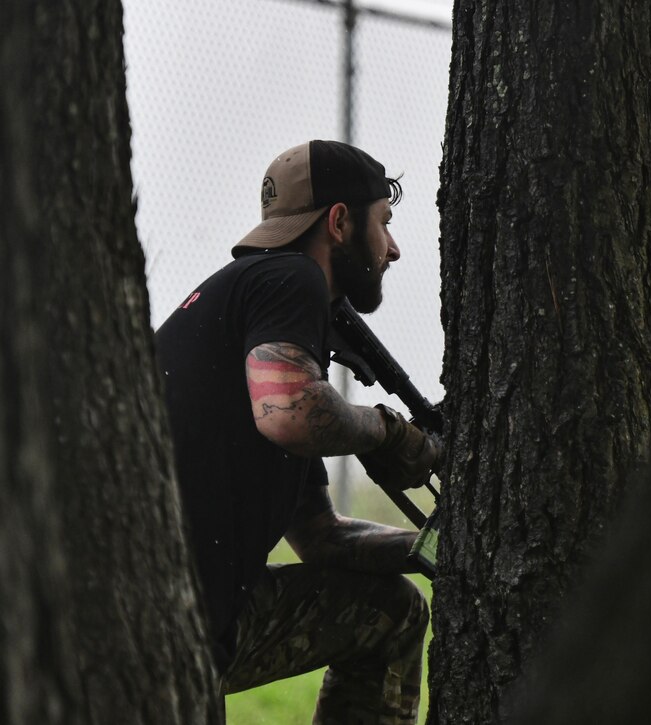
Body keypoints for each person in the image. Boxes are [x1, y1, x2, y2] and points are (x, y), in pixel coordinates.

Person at [155, 140, 441, 723]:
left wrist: (442, 548)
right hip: (154, 633)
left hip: (189, 621)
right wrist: (388, 433)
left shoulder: (250, 315)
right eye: (384, 223)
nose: (393, 248)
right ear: (339, 221)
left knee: (389, 611)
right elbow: (289, 410)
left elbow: (321, 538)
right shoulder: (290, 278)